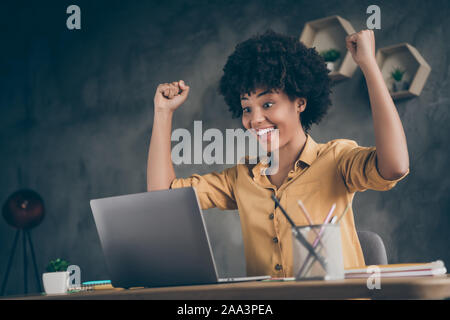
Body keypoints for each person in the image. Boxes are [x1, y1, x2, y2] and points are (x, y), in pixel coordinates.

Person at [147, 29, 409, 278]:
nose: (255, 119)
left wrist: (369, 65)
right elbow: (163, 198)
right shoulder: (241, 178)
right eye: (246, 108)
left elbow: (394, 167)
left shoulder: (337, 160)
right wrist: (163, 113)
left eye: (268, 103)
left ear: (300, 103)